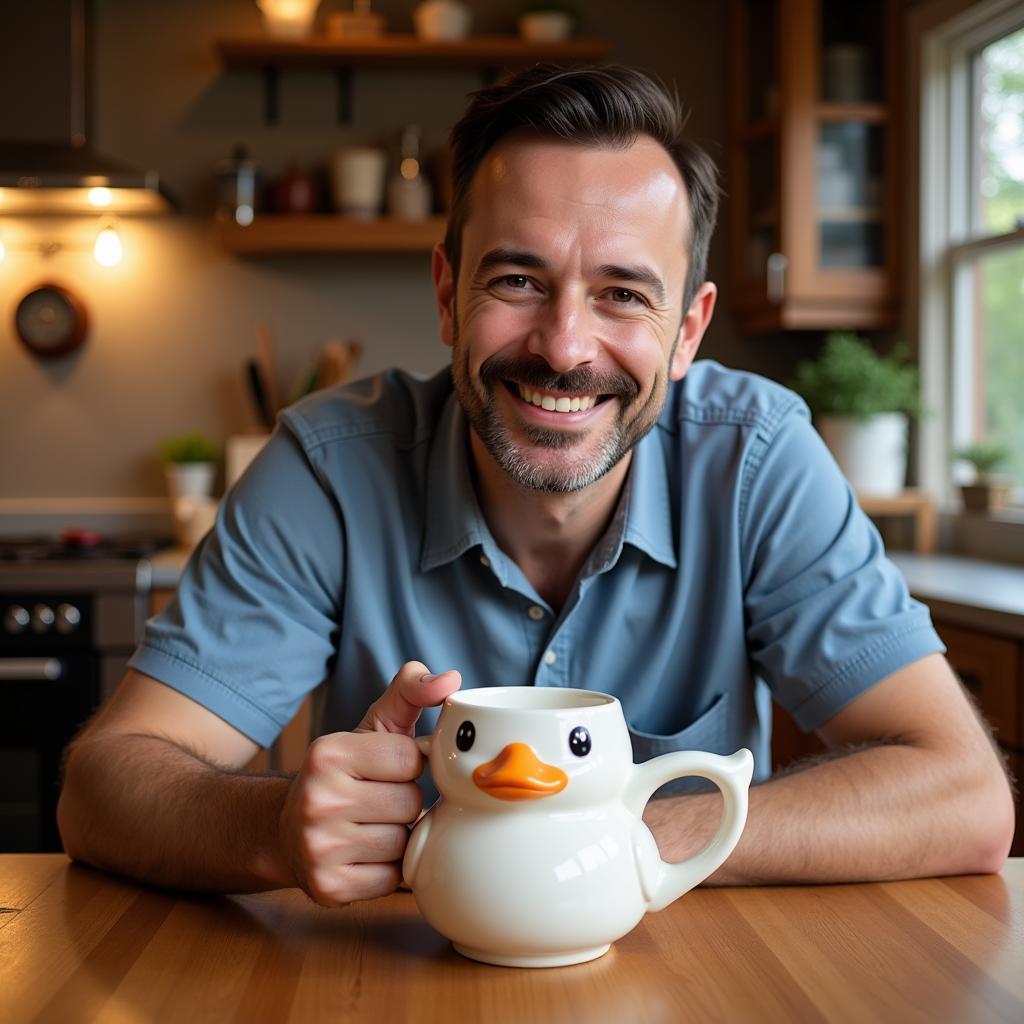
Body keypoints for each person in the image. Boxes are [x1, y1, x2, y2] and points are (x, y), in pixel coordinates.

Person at [58, 64, 1014, 904]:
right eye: (517, 280)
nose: (563, 347)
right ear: (447, 294)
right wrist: (267, 831)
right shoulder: (328, 466)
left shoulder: (756, 459)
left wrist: (638, 839)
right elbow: (102, 789)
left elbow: (964, 798)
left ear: (688, 331)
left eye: (623, 294)